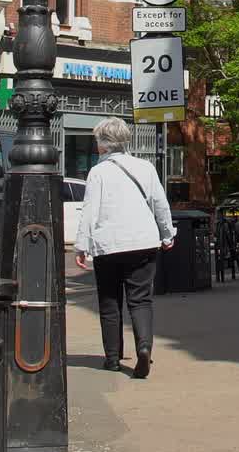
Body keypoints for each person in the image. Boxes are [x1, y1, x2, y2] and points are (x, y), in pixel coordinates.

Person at [74, 118, 175, 379]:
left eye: (97, 141)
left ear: (103, 145)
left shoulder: (97, 172)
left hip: (108, 245)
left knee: (109, 302)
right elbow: (159, 204)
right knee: (140, 299)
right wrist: (167, 234)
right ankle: (144, 347)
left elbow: (89, 211)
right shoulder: (145, 167)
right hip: (143, 242)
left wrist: (81, 246)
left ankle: (112, 359)